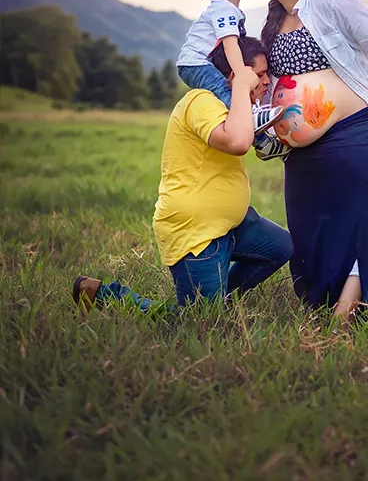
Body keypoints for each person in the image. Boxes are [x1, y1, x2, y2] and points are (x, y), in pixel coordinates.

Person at [73, 37, 293, 313]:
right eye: (259, 75)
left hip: (233, 225)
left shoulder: (234, 109)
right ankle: (104, 295)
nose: (266, 82)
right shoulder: (201, 101)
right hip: (197, 232)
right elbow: (237, 143)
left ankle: (219, 299)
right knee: (198, 319)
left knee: (281, 246)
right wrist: (241, 88)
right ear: (236, 75)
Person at [256, 0, 368, 328]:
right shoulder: (274, 21)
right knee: (308, 230)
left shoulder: (331, 3)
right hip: (302, 151)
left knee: (350, 226)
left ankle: (341, 319)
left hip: (352, 134)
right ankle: (327, 305)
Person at [176, 0, 284, 134]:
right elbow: (230, 45)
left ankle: (262, 141)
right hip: (196, 64)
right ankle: (251, 116)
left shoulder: (228, 10)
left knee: (228, 93)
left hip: (199, 64)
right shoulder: (224, 10)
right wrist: (242, 75)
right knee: (225, 92)